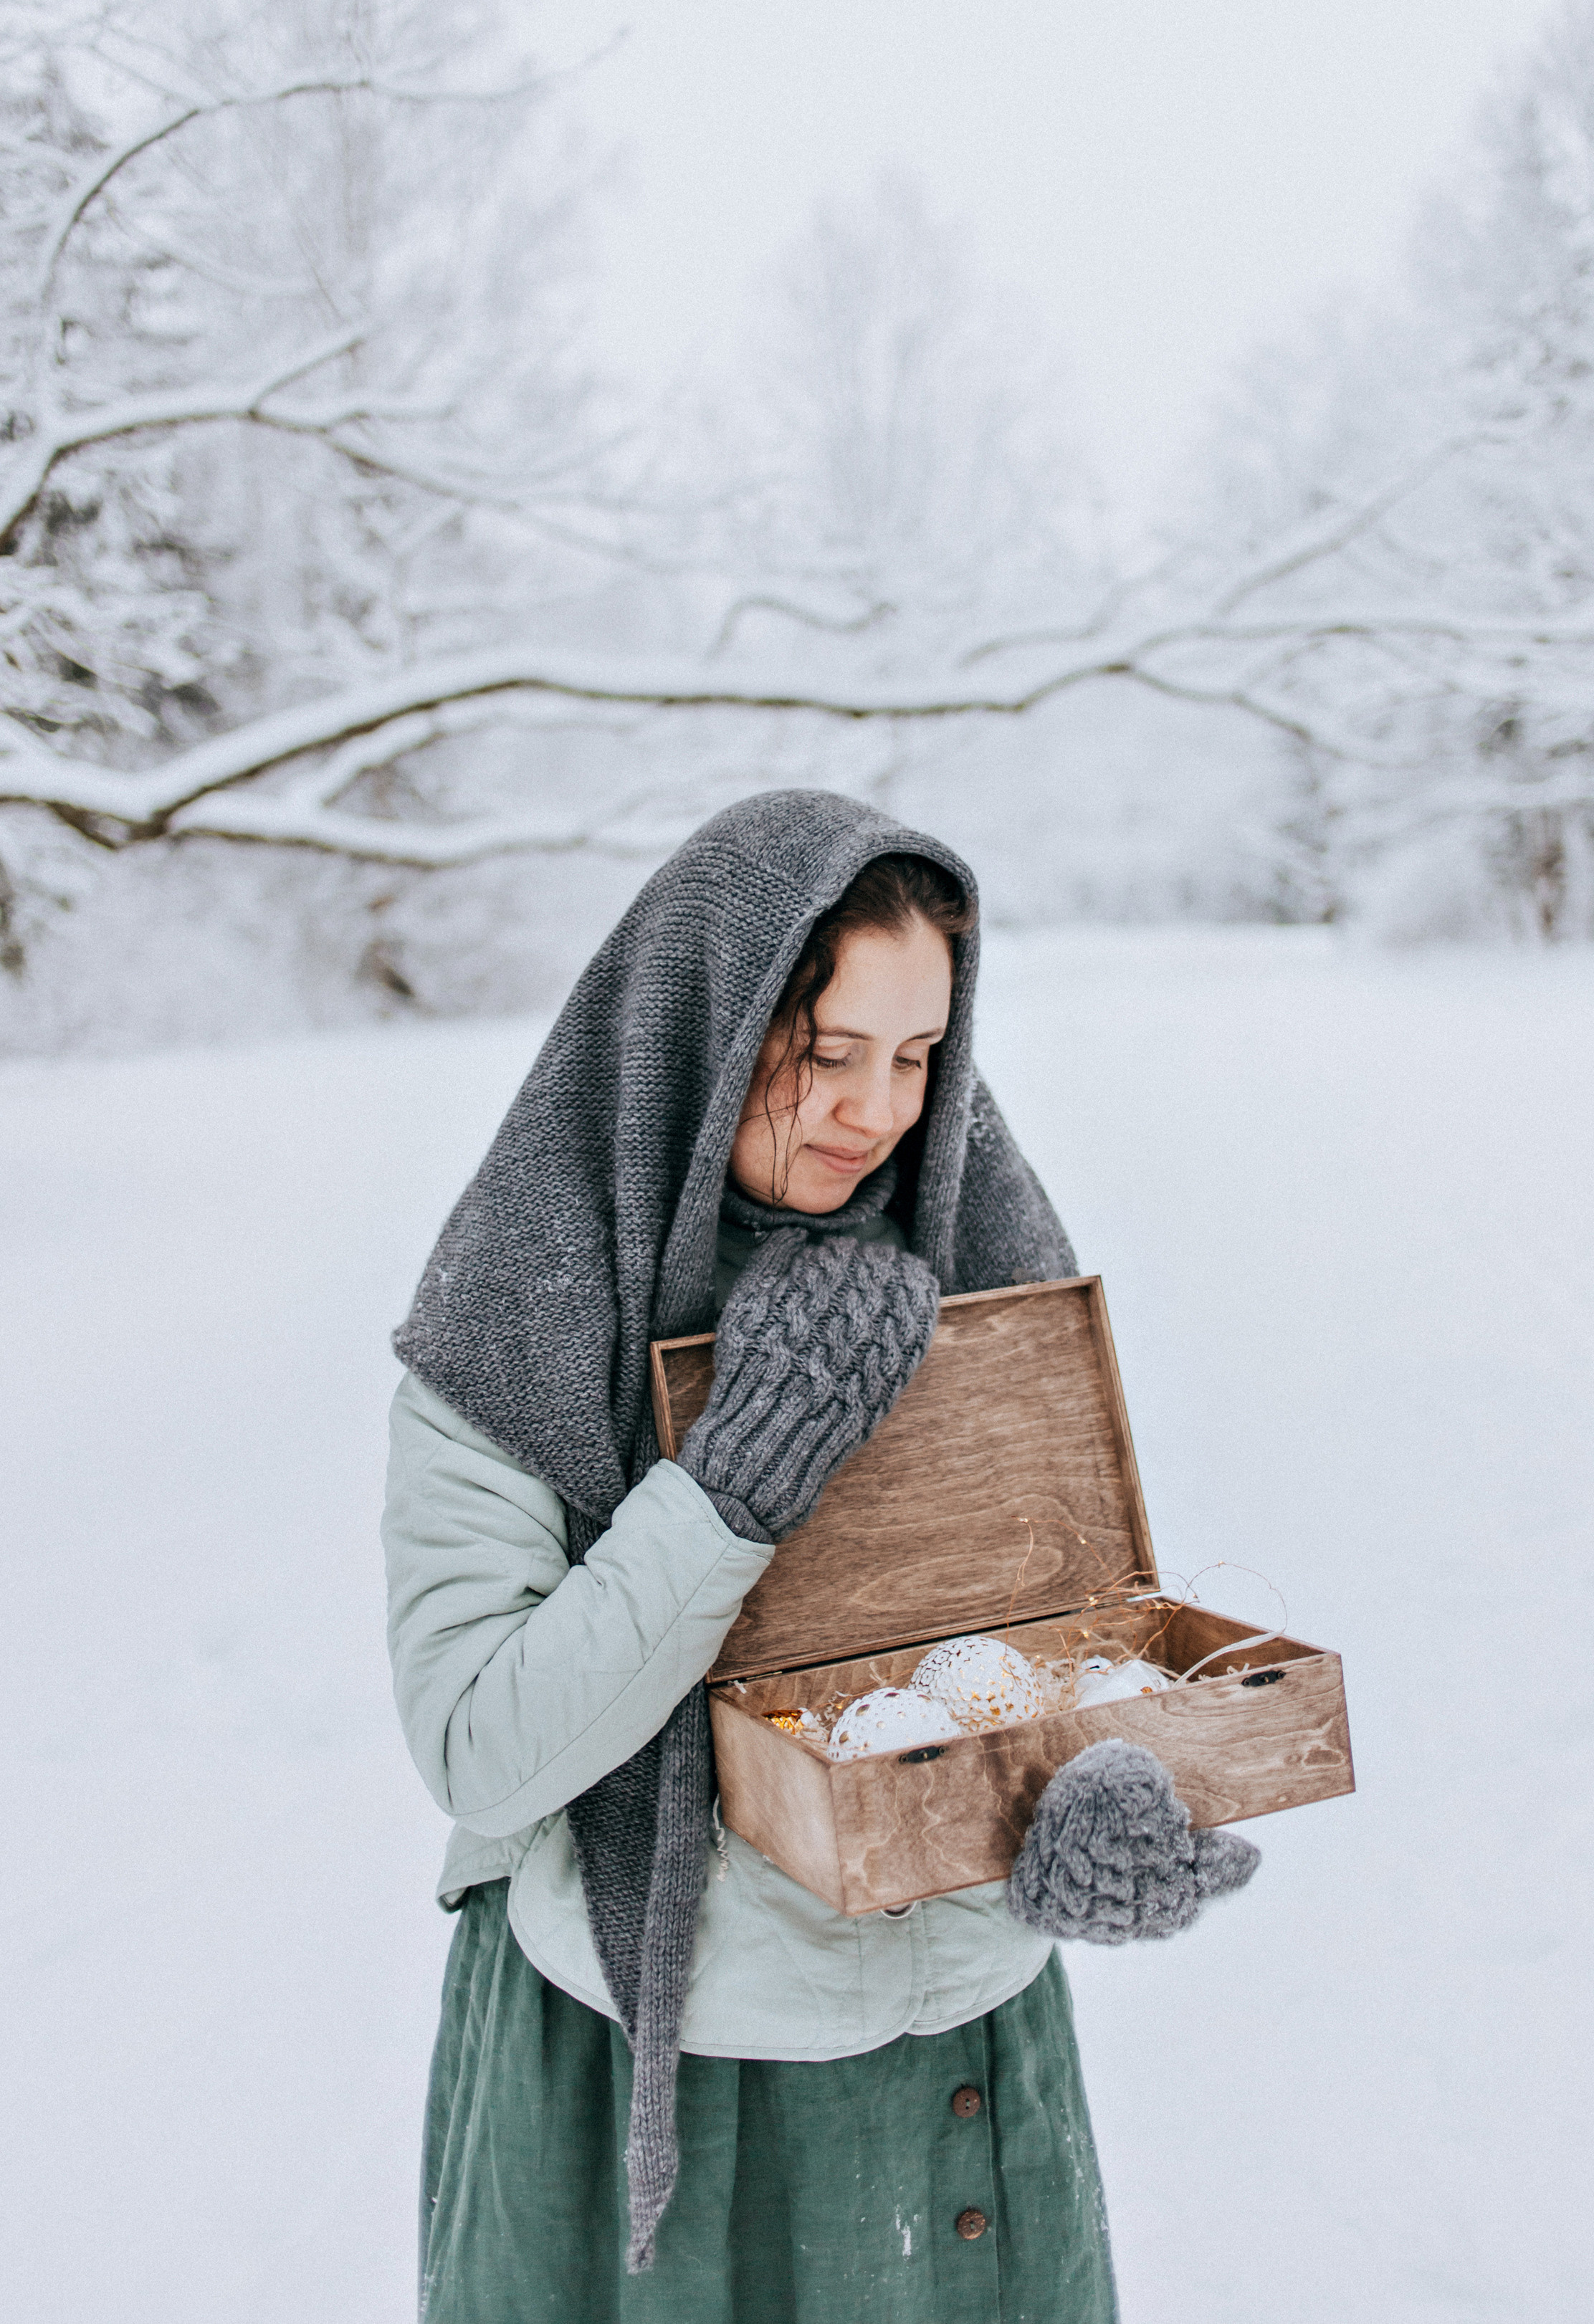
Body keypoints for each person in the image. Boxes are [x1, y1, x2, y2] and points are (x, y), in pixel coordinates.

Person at [383, 790, 1252, 2322]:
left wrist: (1095, 1786)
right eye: (828, 1050)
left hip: (963, 2065)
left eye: (918, 1057)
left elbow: (1053, 1632)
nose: (878, 1110)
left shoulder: (973, 1245)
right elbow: (482, 1750)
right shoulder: (526, 1300)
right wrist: (732, 1482)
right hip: (654, 2068)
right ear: (702, 1034)